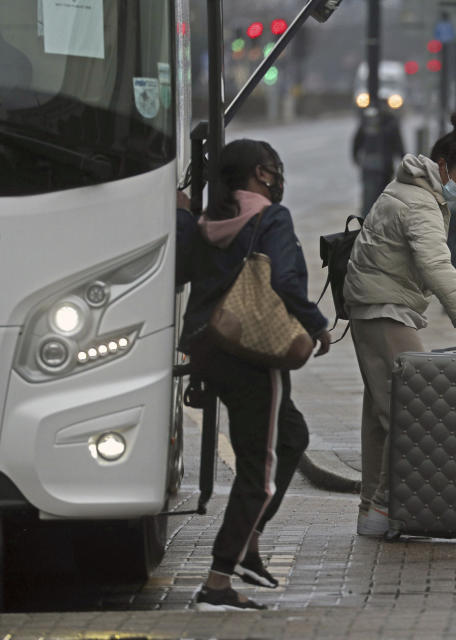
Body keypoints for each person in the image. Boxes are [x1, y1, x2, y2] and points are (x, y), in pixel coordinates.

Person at [178, 139, 332, 611]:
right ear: (262, 174)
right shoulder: (270, 217)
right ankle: (219, 579)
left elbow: (182, 270)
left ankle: (250, 544)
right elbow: (285, 280)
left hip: (207, 345)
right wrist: (317, 325)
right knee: (258, 470)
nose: (277, 176)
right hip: (248, 353)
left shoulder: (205, 220)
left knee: (291, 435)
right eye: (273, 169)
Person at [344, 112, 456, 536]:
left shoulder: (408, 188)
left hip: (376, 305)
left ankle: (372, 510)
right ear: (441, 165)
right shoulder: (420, 202)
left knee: (382, 415)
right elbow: (436, 263)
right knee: (414, 410)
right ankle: (385, 508)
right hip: (383, 308)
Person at [352, 101, 406, 214]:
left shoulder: (368, 120)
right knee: (382, 196)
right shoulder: (391, 121)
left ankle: (367, 222)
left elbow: (357, 141)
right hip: (384, 166)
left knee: (369, 198)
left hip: (371, 166)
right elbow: (399, 145)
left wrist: (356, 157)